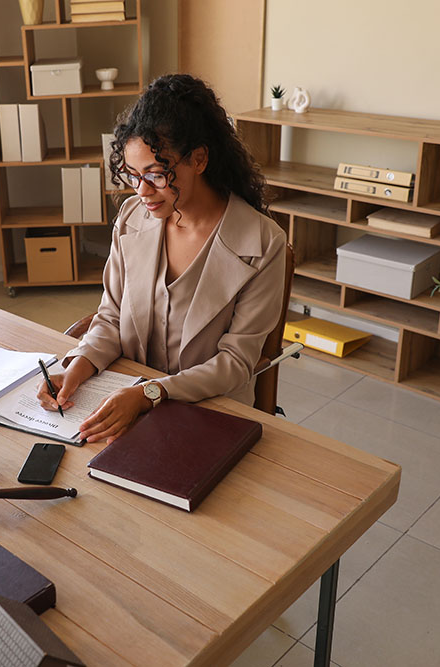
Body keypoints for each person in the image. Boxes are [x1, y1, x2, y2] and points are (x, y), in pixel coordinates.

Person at [37, 73, 286, 443]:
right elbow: (111, 317)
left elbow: (235, 363)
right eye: (134, 175)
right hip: (126, 396)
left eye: (156, 175)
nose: (142, 191)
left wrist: (149, 393)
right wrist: (78, 365)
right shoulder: (132, 217)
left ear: (199, 159)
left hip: (210, 410)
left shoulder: (263, 243)